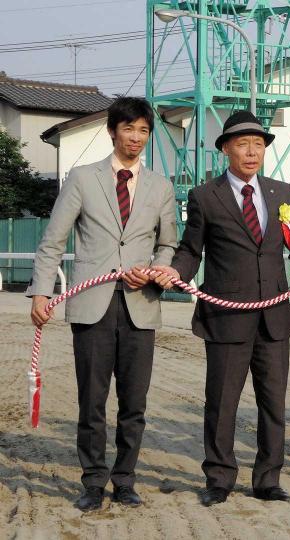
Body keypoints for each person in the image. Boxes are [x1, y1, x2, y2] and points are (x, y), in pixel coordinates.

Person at [152, 110, 290, 506]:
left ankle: (268, 479)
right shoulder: (206, 196)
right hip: (227, 316)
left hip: (274, 316)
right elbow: (192, 250)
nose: (252, 151)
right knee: (221, 402)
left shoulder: (282, 192)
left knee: (273, 402)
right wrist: (175, 272)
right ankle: (219, 479)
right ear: (226, 149)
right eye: (242, 143)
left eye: (258, 143)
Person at [26, 97, 178, 511]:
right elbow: (53, 242)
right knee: (92, 401)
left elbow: (168, 244)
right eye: (128, 129)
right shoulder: (82, 178)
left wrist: (154, 270)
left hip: (140, 304)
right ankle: (92, 482)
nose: (135, 137)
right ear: (113, 131)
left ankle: (125, 480)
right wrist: (41, 293)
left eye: (143, 130)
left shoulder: (160, 187)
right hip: (91, 304)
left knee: (134, 402)